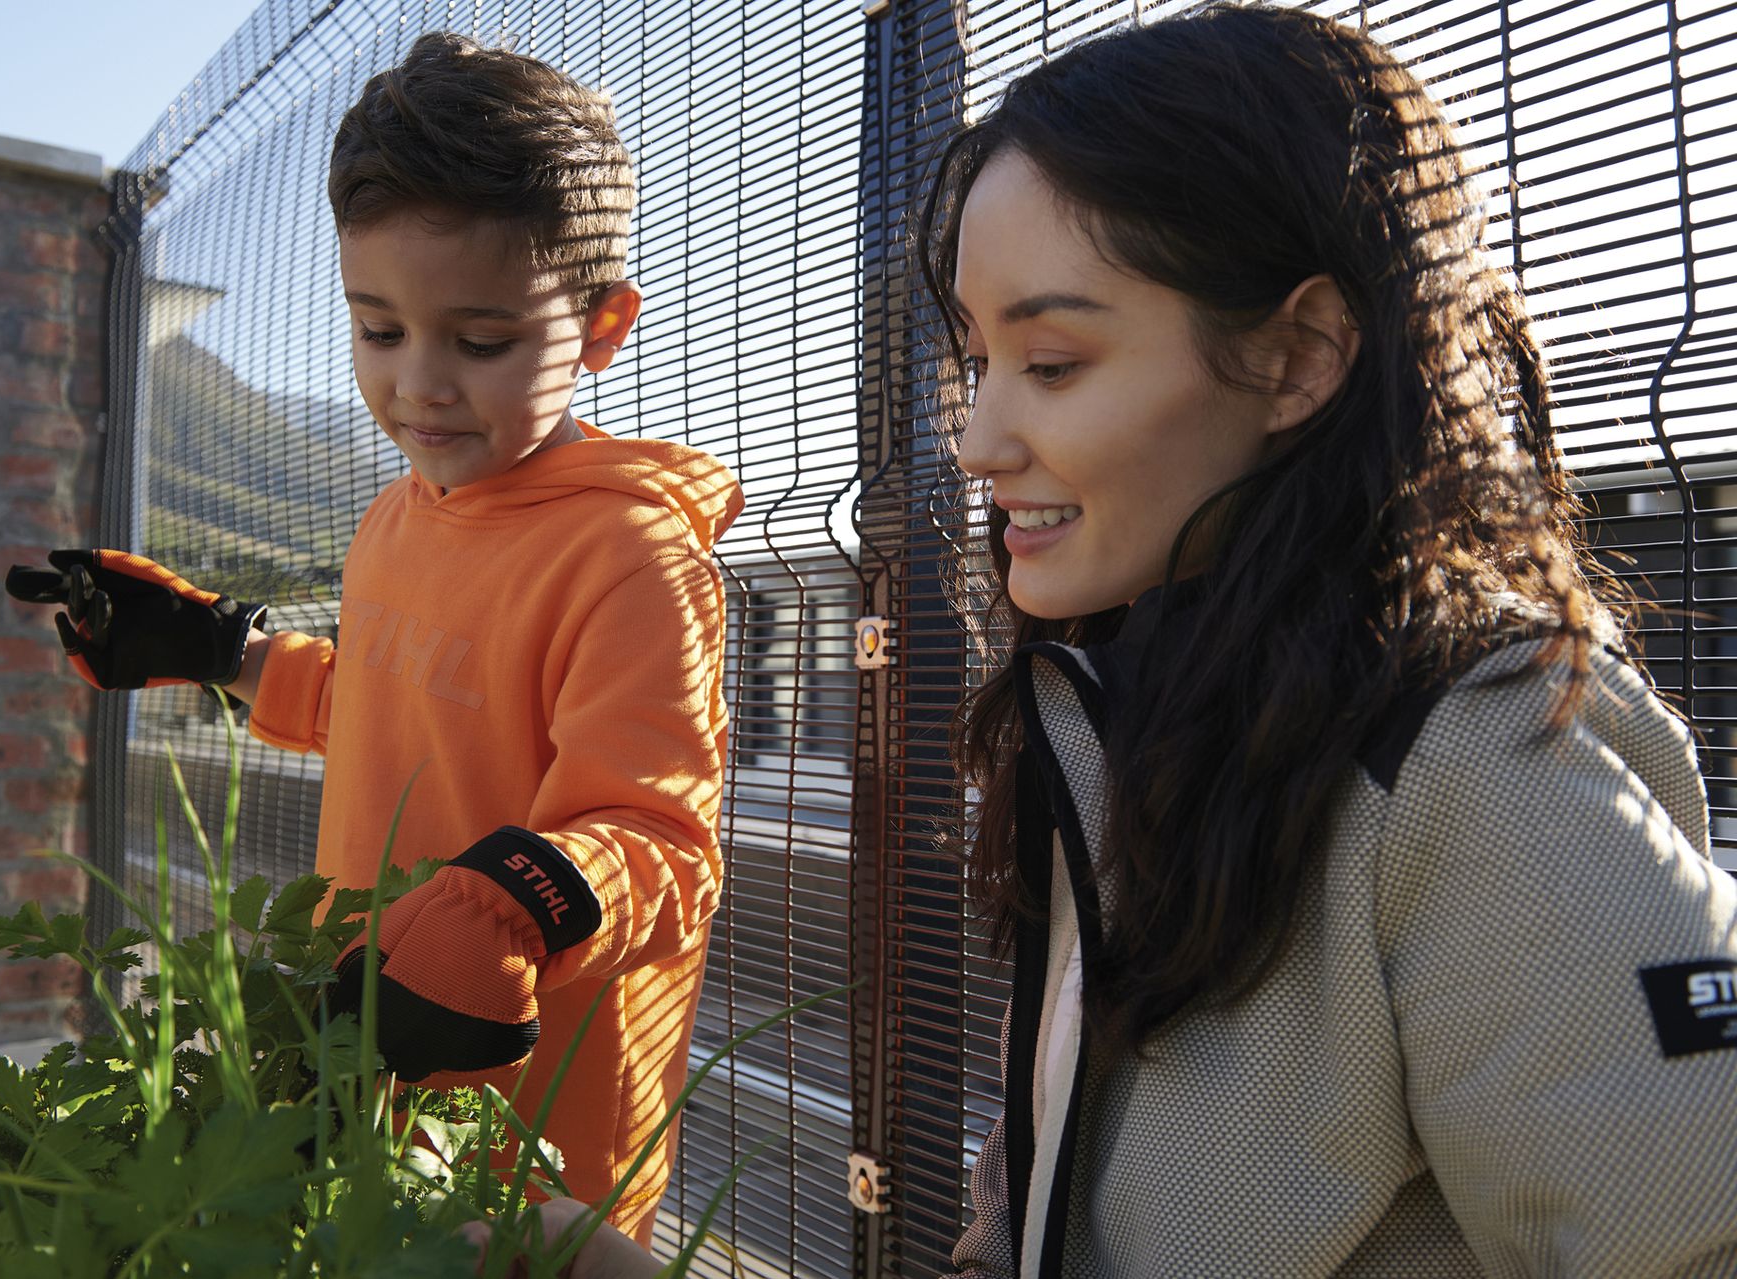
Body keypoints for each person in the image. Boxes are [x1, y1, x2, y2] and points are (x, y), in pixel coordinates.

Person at [464, 5, 1737, 1275]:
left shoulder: (1482, 758)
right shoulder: (1143, 721)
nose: (977, 442)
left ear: (1298, 358)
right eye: (978, 360)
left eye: (1055, 361)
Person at [4, 32, 742, 1243]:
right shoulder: (399, 513)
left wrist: (513, 906)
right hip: (365, 1068)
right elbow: (398, 704)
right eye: (379, 330)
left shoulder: (631, 555)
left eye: (482, 341)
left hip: (532, 1135)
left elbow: (664, 846)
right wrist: (219, 649)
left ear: (602, 326)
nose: (420, 384)